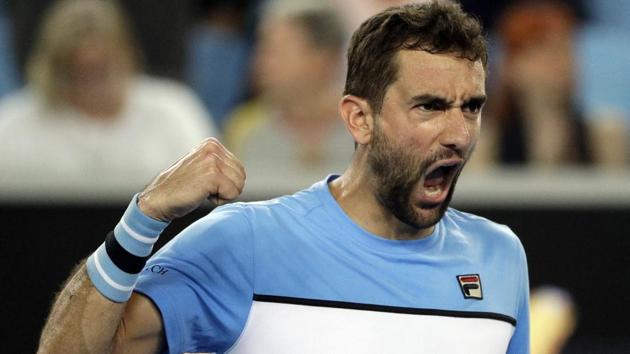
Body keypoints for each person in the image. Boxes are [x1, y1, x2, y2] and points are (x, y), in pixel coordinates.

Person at [37, 2, 529, 354]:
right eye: (430, 106)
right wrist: (141, 220)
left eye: (472, 107)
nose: (459, 134)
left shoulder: (500, 256)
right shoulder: (241, 242)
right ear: (360, 119)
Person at [0, 0, 217, 197]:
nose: (91, 87)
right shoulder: (11, 125)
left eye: (100, 71)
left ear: (126, 57)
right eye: (77, 73)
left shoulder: (174, 111)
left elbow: (212, 191)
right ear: (52, 69)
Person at [224, 2, 353, 186]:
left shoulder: (372, 130)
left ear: (324, 58)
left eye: (274, 51)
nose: (259, 63)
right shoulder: (243, 129)